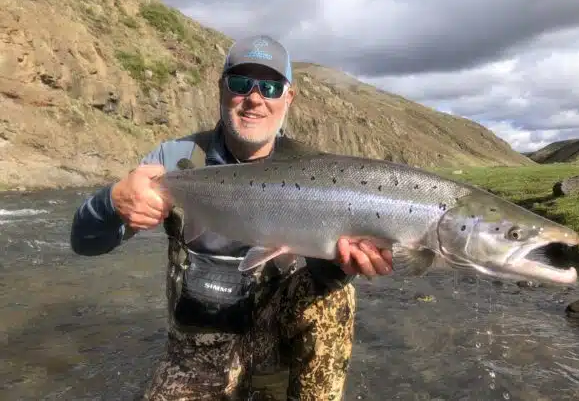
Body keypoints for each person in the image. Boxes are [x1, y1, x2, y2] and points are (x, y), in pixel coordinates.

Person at [70, 35, 394, 400]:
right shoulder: (177, 161)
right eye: (241, 83)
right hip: (193, 355)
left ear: (289, 97)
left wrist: (339, 264)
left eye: (270, 87)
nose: (254, 98)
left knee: (336, 299)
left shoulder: (311, 169)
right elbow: (83, 242)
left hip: (272, 344)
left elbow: (322, 282)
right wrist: (112, 201)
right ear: (221, 88)